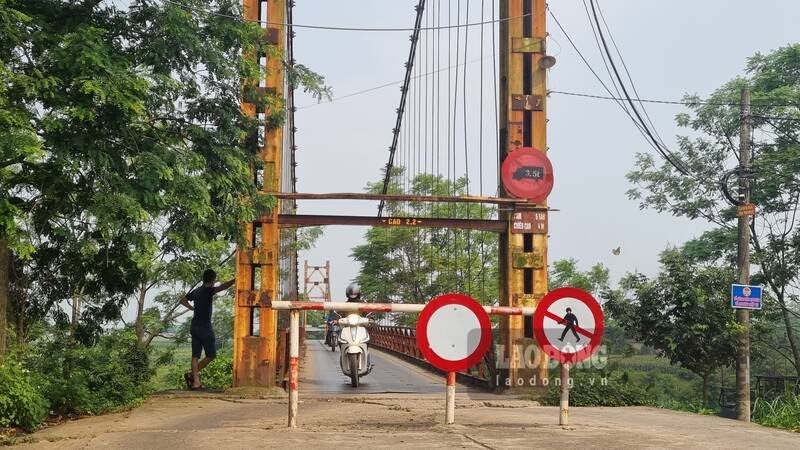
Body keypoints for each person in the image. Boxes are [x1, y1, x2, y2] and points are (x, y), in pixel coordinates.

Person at [179, 269, 235, 390]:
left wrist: (191, 308)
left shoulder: (196, 291)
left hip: (194, 326)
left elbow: (182, 300)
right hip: (205, 327)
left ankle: (196, 382)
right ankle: (191, 375)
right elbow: (223, 286)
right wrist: (235, 280)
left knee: (195, 355)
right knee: (211, 355)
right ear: (213, 279)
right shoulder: (208, 290)